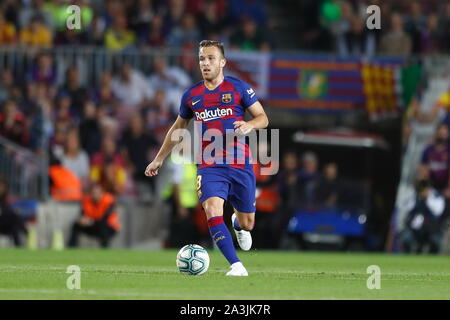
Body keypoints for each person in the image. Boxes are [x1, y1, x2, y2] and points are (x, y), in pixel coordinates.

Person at [145, 40, 269, 276]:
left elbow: (263, 118)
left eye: (211, 58)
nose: (205, 63)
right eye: (202, 58)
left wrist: (249, 125)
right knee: (212, 209)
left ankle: (237, 224)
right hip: (210, 164)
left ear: (222, 62)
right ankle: (236, 265)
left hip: (240, 163)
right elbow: (177, 128)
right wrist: (159, 159)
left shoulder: (239, 88)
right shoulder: (192, 95)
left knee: (247, 224)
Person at [400, 179, 446, 254]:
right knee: (406, 238)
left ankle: (432, 261)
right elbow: (404, 206)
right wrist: (414, 195)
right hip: (415, 228)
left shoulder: (436, 196)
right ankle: (407, 259)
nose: (423, 191)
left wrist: (427, 199)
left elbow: (438, 211)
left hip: (431, 228)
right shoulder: (414, 195)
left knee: (436, 241)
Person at [68, 182, 120, 248]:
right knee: (76, 225)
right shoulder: (87, 201)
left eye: (97, 192)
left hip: (110, 227)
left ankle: (105, 248)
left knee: (102, 225)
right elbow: (83, 214)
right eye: (93, 192)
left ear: (102, 192)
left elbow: (105, 218)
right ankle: (71, 247)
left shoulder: (109, 201)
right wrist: (82, 220)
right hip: (93, 224)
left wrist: (91, 221)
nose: (95, 194)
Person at [0, 177, 26, 246]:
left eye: (2, 186)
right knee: (14, 217)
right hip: (3, 222)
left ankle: (18, 247)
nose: (1, 188)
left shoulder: (4, 199)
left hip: (4, 224)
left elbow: (6, 210)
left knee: (15, 224)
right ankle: (26, 231)